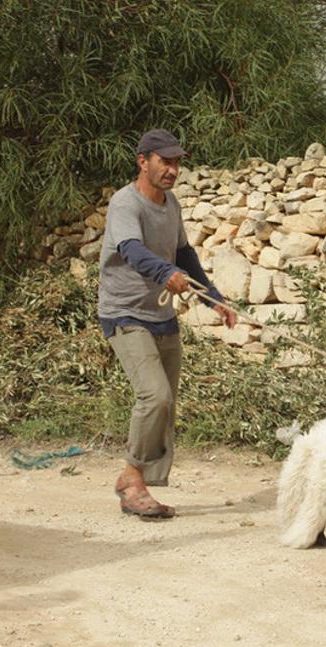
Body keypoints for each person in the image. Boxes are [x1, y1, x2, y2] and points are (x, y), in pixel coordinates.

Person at [99, 128, 236, 520]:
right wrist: (165, 274)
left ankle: (139, 481)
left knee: (167, 403)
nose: (173, 170)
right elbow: (132, 250)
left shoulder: (170, 204)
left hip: (160, 315)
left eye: (177, 163)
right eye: (165, 162)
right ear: (143, 161)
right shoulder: (125, 204)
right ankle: (132, 479)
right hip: (124, 313)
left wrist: (214, 298)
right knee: (154, 396)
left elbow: (183, 253)